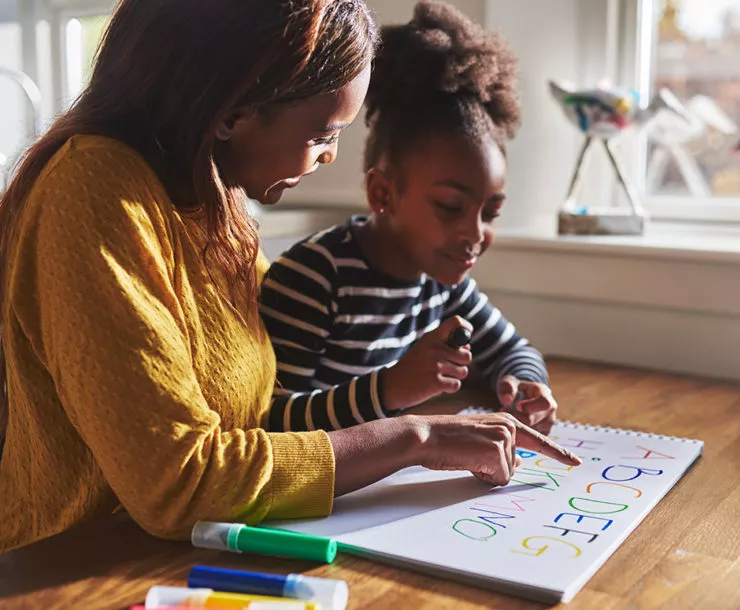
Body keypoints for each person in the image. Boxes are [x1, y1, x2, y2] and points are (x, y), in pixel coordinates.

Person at [0, 0, 578, 553]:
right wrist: (414, 438)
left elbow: (261, 409)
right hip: (75, 569)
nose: (330, 159)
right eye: (323, 135)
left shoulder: (216, 200)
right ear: (231, 113)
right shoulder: (93, 192)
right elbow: (176, 486)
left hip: (212, 546)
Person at [259, 1, 560, 440]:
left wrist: (525, 384)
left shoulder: (445, 286)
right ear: (383, 193)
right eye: (450, 207)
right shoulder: (314, 279)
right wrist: (390, 389)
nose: (476, 234)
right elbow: (272, 422)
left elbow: (513, 349)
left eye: (490, 212)